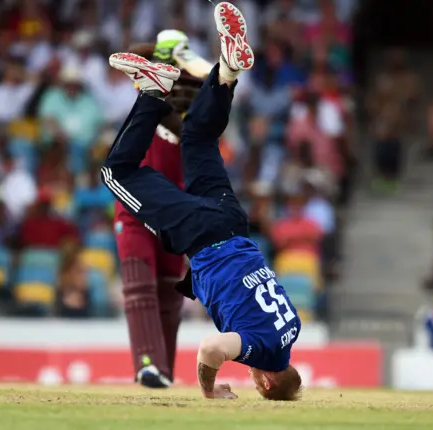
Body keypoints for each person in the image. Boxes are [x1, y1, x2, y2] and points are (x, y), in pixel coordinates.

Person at [102, 2, 302, 401]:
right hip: (204, 236)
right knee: (117, 173)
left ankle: (226, 73)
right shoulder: (260, 351)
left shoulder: (293, 327)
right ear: (265, 381)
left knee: (197, 136)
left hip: (233, 221)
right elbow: (212, 350)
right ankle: (153, 90)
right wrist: (210, 392)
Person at [113, 29, 207, 389]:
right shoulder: (150, 95)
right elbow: (133, 54)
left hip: (173, 217)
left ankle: (163, 373)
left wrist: (192, 66)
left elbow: (214, 85)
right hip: (135, 213)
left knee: (170, 296)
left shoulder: (198, 128)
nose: (184, 94)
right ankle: (148, 365)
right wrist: (166, 54)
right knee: (139, 290)